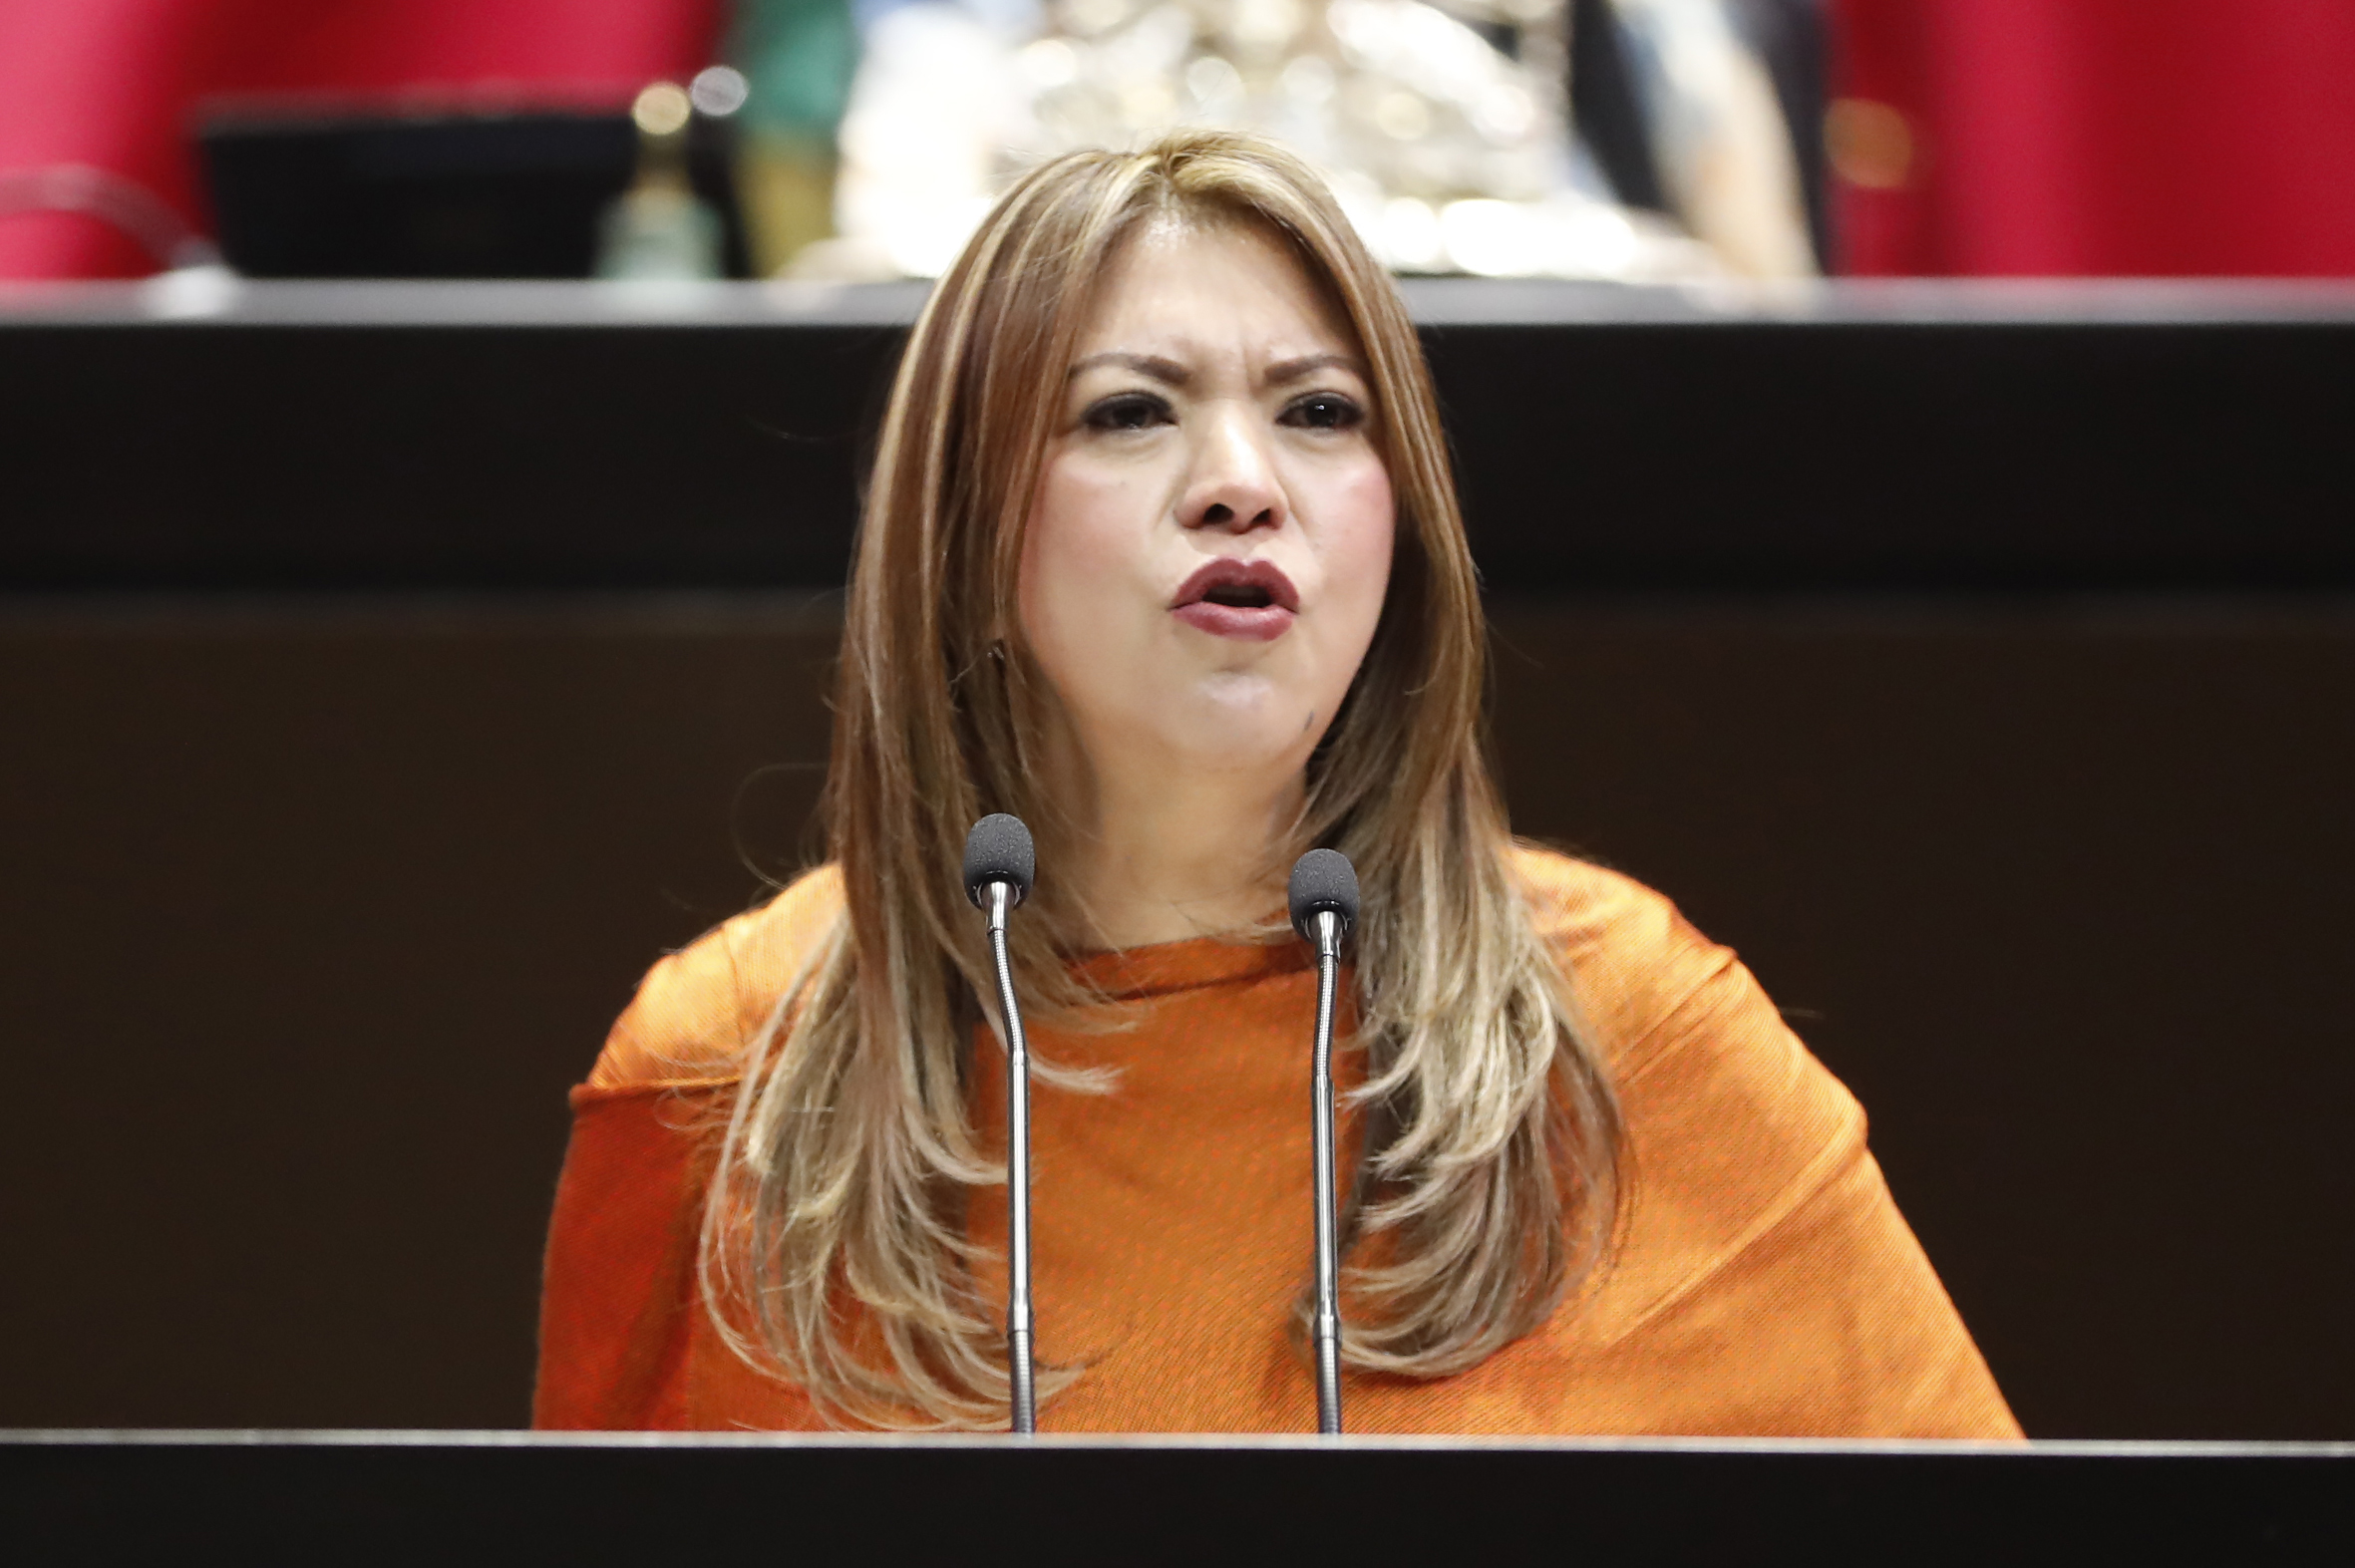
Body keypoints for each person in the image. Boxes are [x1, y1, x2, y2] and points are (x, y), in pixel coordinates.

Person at [533, 130, 2018, 1437]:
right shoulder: (719, 1068)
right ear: (965, 538)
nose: (1243, 481)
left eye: (1319, 413)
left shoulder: (1632, 1034)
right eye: (1130, 411)